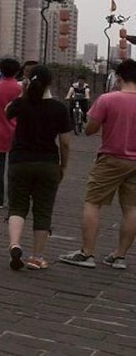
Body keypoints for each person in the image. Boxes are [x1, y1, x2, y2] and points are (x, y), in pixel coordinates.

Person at [59, 59, 136, 270]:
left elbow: (90, 129)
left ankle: (87, 253)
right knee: (131, 208)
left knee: (93, 203)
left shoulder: (108, 99)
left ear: (119, 77)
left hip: (111, 158)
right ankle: (119, 257)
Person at [4, 65, 71, 271]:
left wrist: (23, 93)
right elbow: (66, 142)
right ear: (50, 82)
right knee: (43, 211)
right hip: (47, 163)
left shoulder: (21, 104)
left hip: (19, 161)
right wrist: (63, 166)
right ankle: (36, 257)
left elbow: (6, 112)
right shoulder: (59, 108)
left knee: (17, 207)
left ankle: (15, 245)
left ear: (28, 82)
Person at [0, 58, 23, 208]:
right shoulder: (21, 89)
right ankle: (17, 200)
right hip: (18, 133)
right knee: (16, 169)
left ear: (1, 70)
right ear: (17, 71)